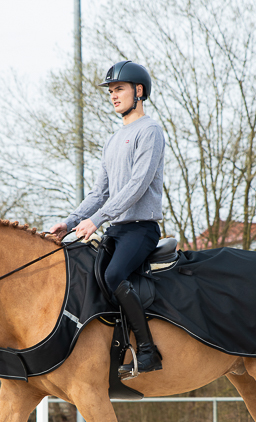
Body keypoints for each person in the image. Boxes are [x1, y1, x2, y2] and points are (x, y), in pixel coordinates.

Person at [50, 60, 164, 378]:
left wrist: (97, 220)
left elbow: (137, 186)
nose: (114, 96)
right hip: (116, 229)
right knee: (86, 277)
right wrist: (70, 222)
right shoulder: (113, 140)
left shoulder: (150, 130)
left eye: (120, 89)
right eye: (111, 91)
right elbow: (100, 192)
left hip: (141, 229)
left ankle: (147, 349)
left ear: (138, 91)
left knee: (114, 276)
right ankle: (113, 351)